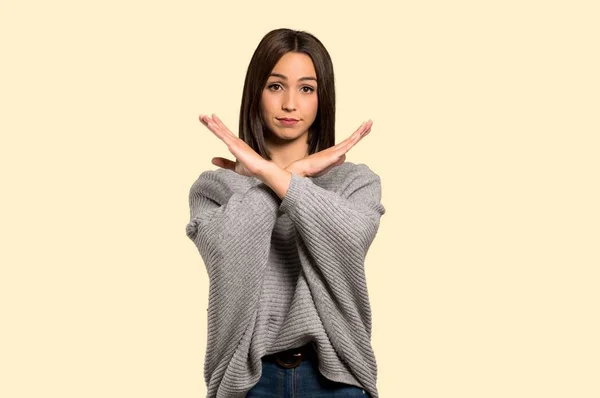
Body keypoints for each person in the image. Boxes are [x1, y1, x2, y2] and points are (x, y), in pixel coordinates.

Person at [186, 28, 385, 398]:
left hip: (336, 380)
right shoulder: (214, 187)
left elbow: (349, 243)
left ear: (322, 98)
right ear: (255, 94)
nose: (290, 103)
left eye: (306, 88)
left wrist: (275, 176)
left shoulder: (355, 181)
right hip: (247, 382)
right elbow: (228, 257)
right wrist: (287, 175)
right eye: (276, 86)